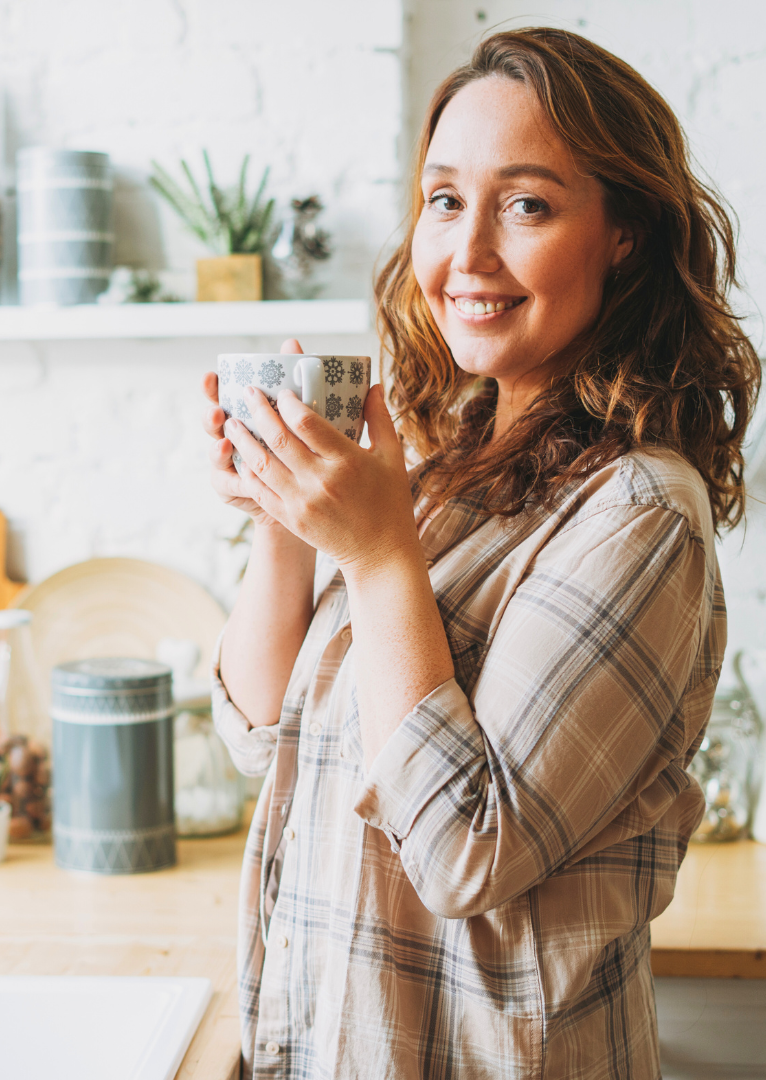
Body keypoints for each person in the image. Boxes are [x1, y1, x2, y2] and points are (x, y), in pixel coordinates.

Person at [201, 27, 760, 1080]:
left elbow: (468, 849)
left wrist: (374, 557)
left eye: (528, 205)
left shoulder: (640, 512)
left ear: (625, 234)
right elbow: (266, 745)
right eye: (446, 200)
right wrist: (283, 515)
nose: (468, 254)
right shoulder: (444, 470)